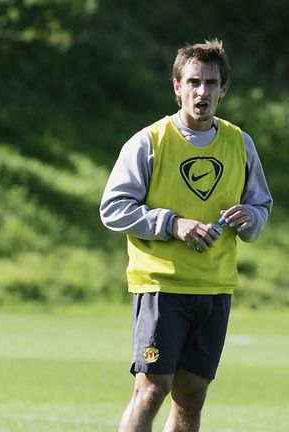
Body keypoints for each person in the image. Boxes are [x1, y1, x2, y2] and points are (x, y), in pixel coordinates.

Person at [99, 39, 272, 432]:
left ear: (223, 89)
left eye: (211, 83)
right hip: (163, 286)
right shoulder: (149, 142)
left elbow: (262, 205)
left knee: (192, 395)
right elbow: (112, 208)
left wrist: (251, 218)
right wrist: (171, 224)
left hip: (215, 288)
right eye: (193, 82)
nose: (202, 92)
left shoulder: (240, 143)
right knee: (151, 390)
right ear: (177, 86)